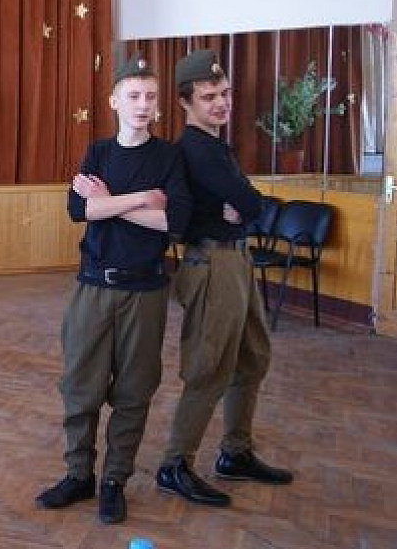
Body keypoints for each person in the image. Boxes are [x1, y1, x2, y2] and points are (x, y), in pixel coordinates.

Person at [34, 56, 191, 524]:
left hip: (146, 292)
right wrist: (142, 199)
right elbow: (78, 211)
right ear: (114, 101)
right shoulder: (98, 152)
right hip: (93, 289)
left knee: (134, 391)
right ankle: (78, 474)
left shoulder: (169, 156)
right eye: (134, 96)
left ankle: (113, 481)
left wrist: (108, 203)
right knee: (79, 386)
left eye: (150, 97)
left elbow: (175, 222)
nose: (143, 105)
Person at [155, 48, 294, 507]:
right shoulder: (196, 149)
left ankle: (235, 453)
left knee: (253, 358)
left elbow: (248, 205)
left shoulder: (216, 146)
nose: (222, 103)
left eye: (225, 93)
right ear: (185, 102)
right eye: (209, 96)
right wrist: (242, 206)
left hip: (237, 259)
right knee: (209, 367)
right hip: (213, 264)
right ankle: (174, 464)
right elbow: (251, 203)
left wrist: (243, 206)